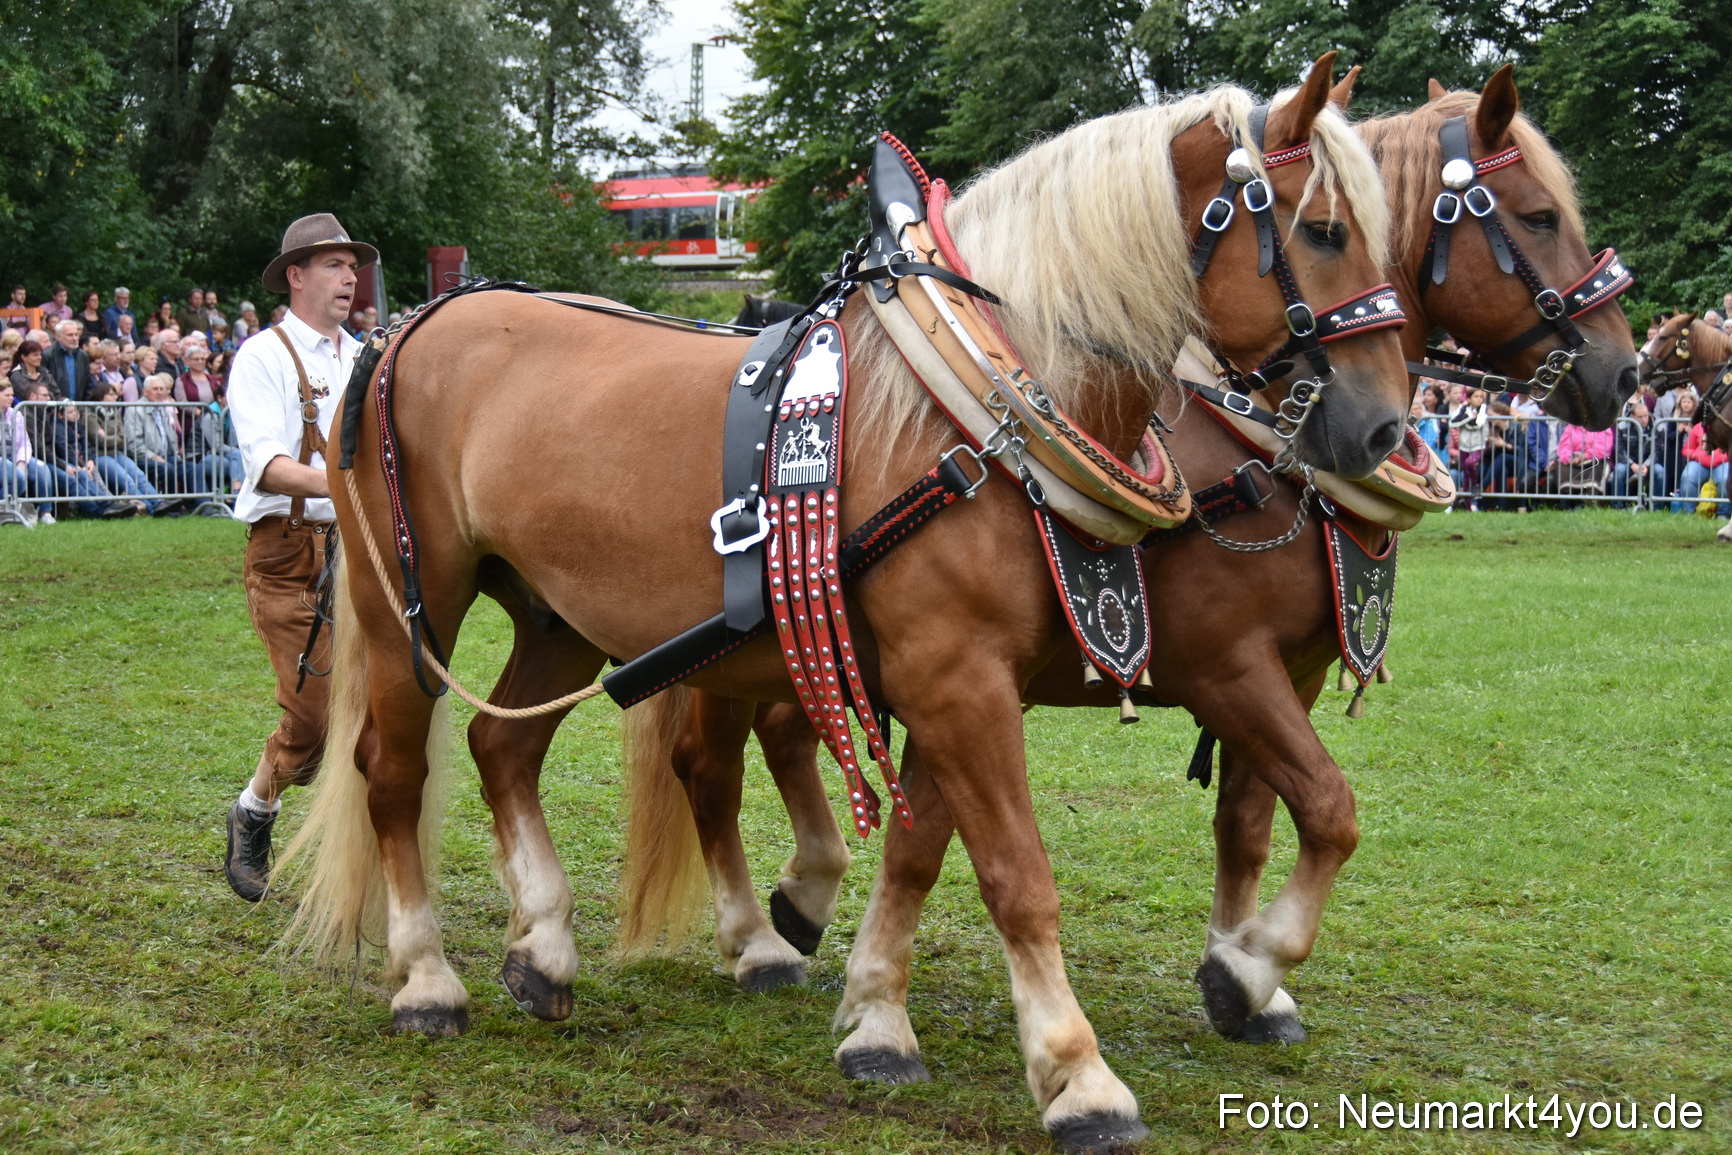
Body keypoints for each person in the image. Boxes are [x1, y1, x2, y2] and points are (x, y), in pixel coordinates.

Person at [221, 212, 377, 902]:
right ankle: (254, 809)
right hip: (286, 555)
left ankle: (368, 858)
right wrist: (347, 489)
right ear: (296, 275)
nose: (350, 276)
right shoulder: (262, 356)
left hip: (360, 553)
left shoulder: (366, 355)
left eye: (352, 265)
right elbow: (270, 466)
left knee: (378, 710)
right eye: (334, 264)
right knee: (313, 721)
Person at [1676, 411, 1729, 515]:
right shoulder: (1697, 427)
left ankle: (1723, 514)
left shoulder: (1726, 429)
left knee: (1725, 478)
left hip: (1722, 462)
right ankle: (1689, 513)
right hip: (1699, 462)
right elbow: (1686, 450)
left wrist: (1720, 457)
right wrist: (1696, 455)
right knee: (1688, 476)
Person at [1449, 387, 1489, 508]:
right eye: (1476, 397)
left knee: (1470, 463)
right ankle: (1469, 506)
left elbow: (1477, 424)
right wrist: (1469, 417)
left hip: (1479, 445)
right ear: (1469, 398)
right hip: (1464, 446)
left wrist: (1464, 420)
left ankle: (1476, 485)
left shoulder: (1483, 409)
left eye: (1480, 397)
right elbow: (1452, 423)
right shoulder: (1463, 408)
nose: (1479, 399)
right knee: (1466, 475)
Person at [1612, 401, 1657, 509]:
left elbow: (1657, 451)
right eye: (1640, 417)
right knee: (1619, 471)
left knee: (1660, 472)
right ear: (1633, 416)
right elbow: (1619, 450)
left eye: (1646, 415)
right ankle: (1617, 507)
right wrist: (1632, 464)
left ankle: (1656, 507)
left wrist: (1646, 465)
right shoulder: (1622, 426)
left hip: (1648, 464)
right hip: (1629, 463)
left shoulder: (1656, 426)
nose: (1644, 419)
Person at [44, 320, 92, 401]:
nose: (74, 338)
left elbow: (88, 382)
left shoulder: (83, 356)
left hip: (78, 407)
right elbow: (45, 383)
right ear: (58, 336)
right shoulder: (48, 355)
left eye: (76, 335)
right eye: (70, 335)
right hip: (55, 407)